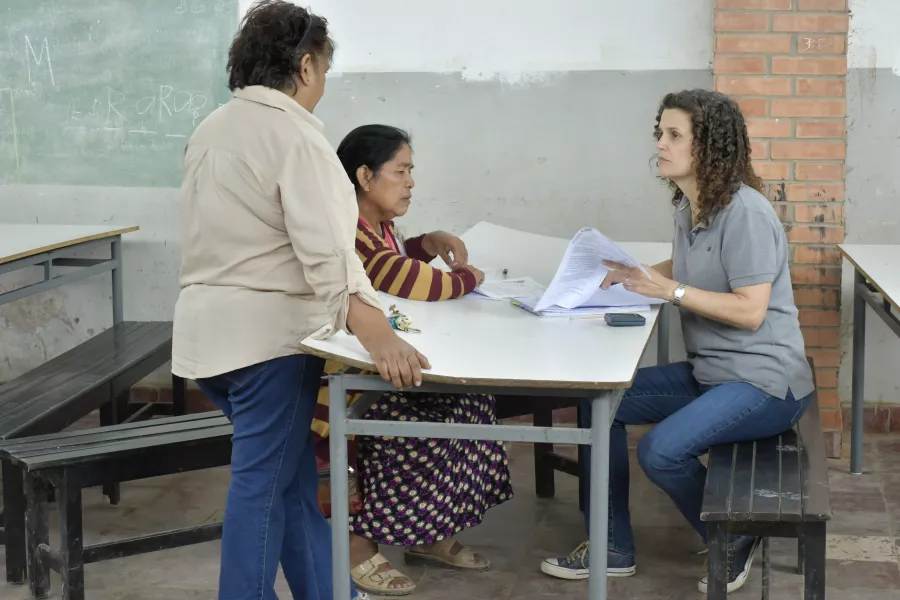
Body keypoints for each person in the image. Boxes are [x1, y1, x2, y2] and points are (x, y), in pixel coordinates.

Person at [171, 3, 429, 600]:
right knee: (261, 486)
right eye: (325, 72)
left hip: (208, 343)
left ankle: (329, 591)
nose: (322, 88)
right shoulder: (296, 140)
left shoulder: (211, 129)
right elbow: (331, 260)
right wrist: (379, 337)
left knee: (288, 483)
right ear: (306, 65)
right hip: (269, 347)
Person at [540, 89, 815, 595]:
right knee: (602, 402)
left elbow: (751, 310)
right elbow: (688, 271)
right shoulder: (692, 207)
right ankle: (612, 547)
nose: (660, 146)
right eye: (659, 133)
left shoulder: (746, 213)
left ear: (707, 147)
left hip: (765, 381)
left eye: (673, 135)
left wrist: (669, 290)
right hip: (713, 373)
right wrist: (632, 275)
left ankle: (732, 540)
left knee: (661, 452)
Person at [307, 124, 513, 597]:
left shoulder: (378, 226)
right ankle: (358, 545)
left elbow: (398, 255)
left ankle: (431, 533)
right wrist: (467, 277)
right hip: (348, 381)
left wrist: (426, 241)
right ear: (364, 176)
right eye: (401, 171)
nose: (410, 183)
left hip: (382, 364)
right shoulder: (346, 230)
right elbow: (400, 276)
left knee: (471, 401)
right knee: (411, 425)